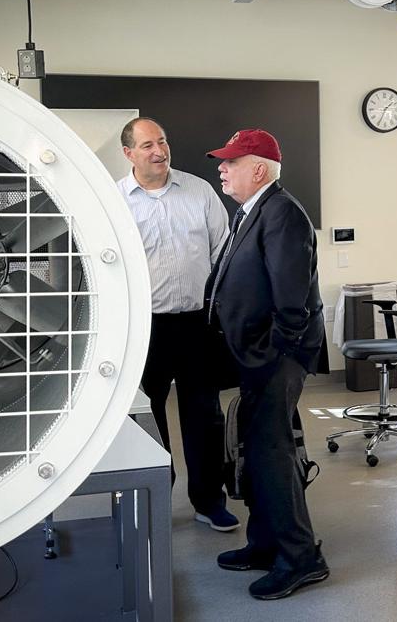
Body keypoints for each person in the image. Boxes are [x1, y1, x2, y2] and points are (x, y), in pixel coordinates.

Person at [204, 128, 330, 600]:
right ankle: (264, 544)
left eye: (231, 162)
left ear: (258, 169)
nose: (222, 168)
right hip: (256, 356)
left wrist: (274, 351)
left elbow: (291, 300)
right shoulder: (252, 211)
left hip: (276, 358)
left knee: (272, 455)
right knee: (255, 452)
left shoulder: (282, 214)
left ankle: (302, 559)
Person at [118, 117, 239, 533]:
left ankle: (209, 501)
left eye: (163, 141)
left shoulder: (199, 191)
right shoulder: (115, 202)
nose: (159, 151)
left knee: (204, 415)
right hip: (144, 328)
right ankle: (154, 501)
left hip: (197, 324)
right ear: (129, 153)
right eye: (148, 144)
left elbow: (223, 253)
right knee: (147, 419)